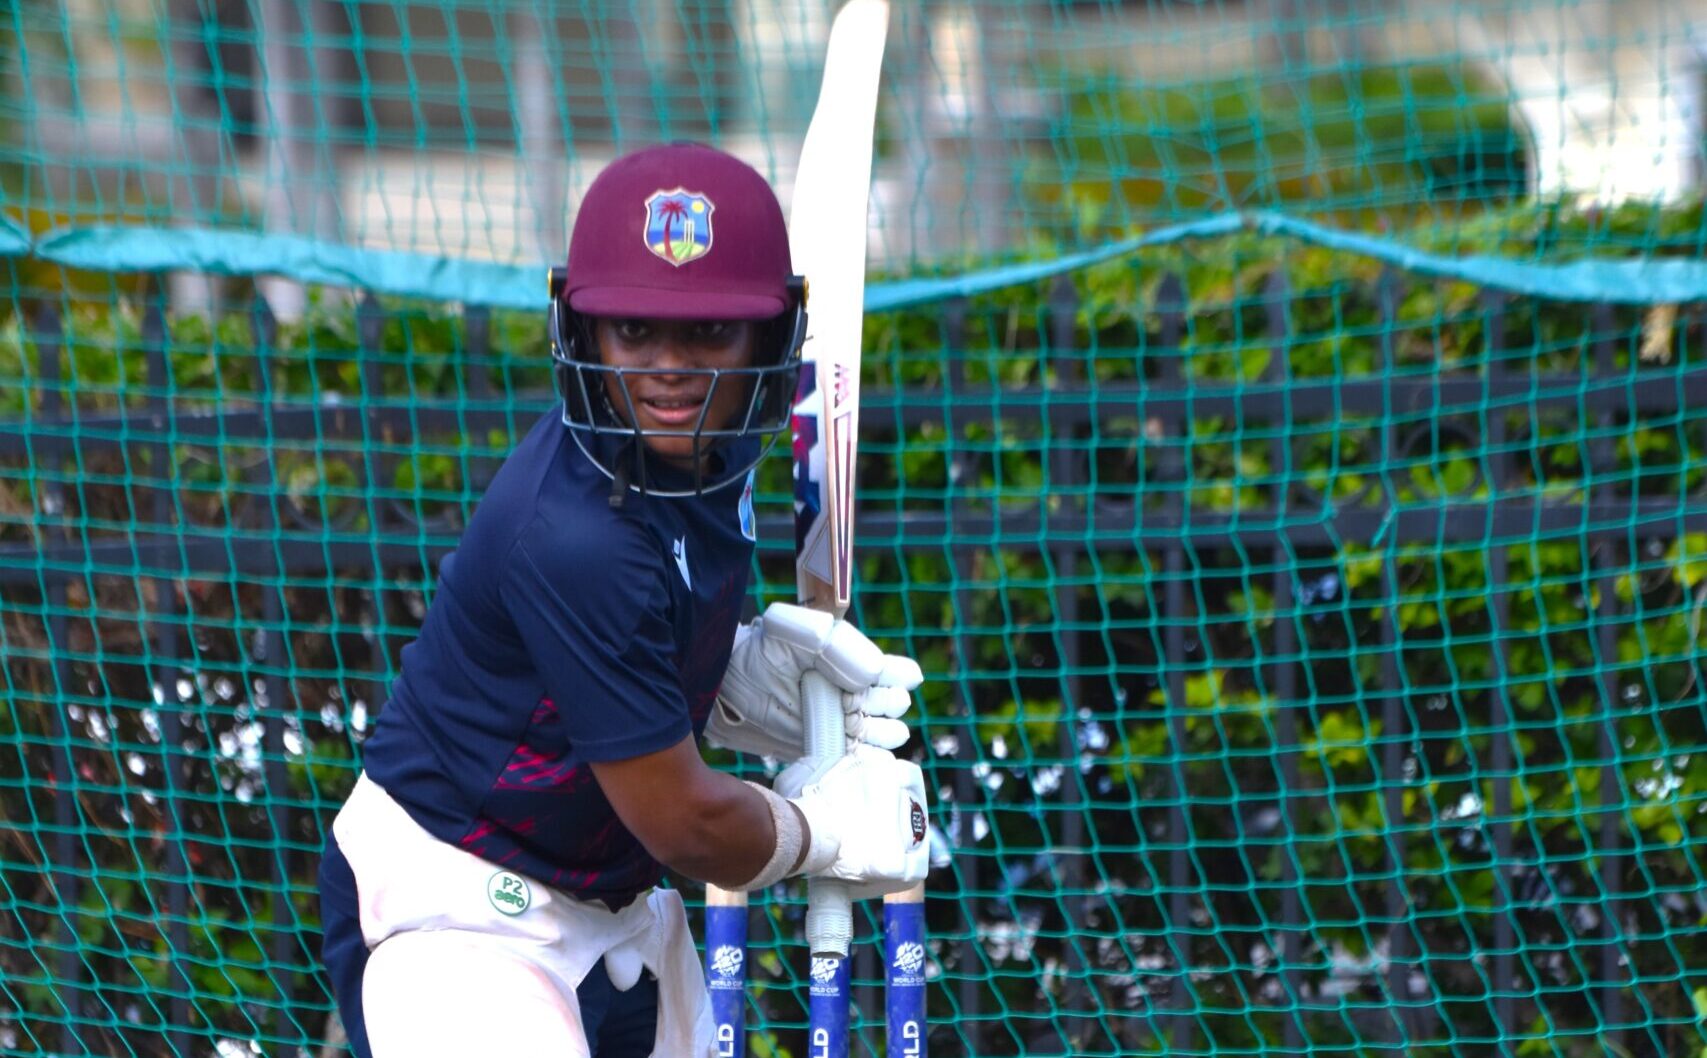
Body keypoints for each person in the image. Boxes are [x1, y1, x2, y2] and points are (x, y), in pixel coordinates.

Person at [316, 142, 930, 1058]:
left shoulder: (707, 459)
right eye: (634, 330)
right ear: (582, 331)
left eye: (709, 333)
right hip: (458, 907)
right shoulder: (573, 531)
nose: (669, 370)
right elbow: (682, 820)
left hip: (615, 910)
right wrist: (820, 831)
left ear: (769, 337)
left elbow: (620, 644)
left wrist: (723, 672)